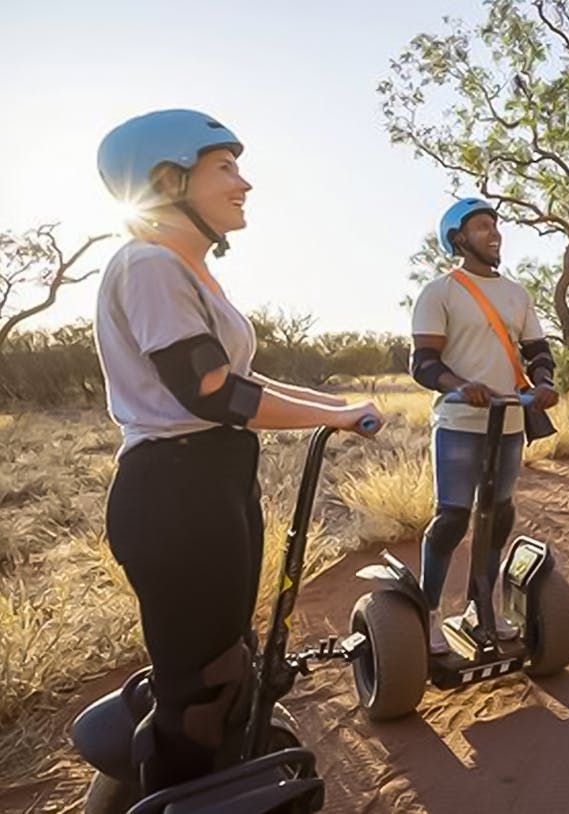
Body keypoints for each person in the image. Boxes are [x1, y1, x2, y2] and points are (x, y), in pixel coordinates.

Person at [93, 109, 381, 792]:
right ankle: (182, 791)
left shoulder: (183, 270)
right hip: (175, 492)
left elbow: (239, 381)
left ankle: (212, 778)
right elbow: (212, 390)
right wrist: (331, 416)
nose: (244, 183)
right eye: (225, 168)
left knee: (228, 658)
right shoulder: (149, 264)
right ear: (167, 180)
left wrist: (335, 411)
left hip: (211, 484)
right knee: (203, 683)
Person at [409, 197, 559, 654]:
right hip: (459, 422)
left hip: (510, 420)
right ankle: (426, 614)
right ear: (459, 239)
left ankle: (480, 608)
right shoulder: (441, 291)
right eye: (480, 226)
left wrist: (546, 382)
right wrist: (461, 384)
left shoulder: (516, 293)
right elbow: (423, 363)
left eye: (495, 225)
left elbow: (538, 351)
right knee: (452, 519)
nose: (493, 233)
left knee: (498, 515)